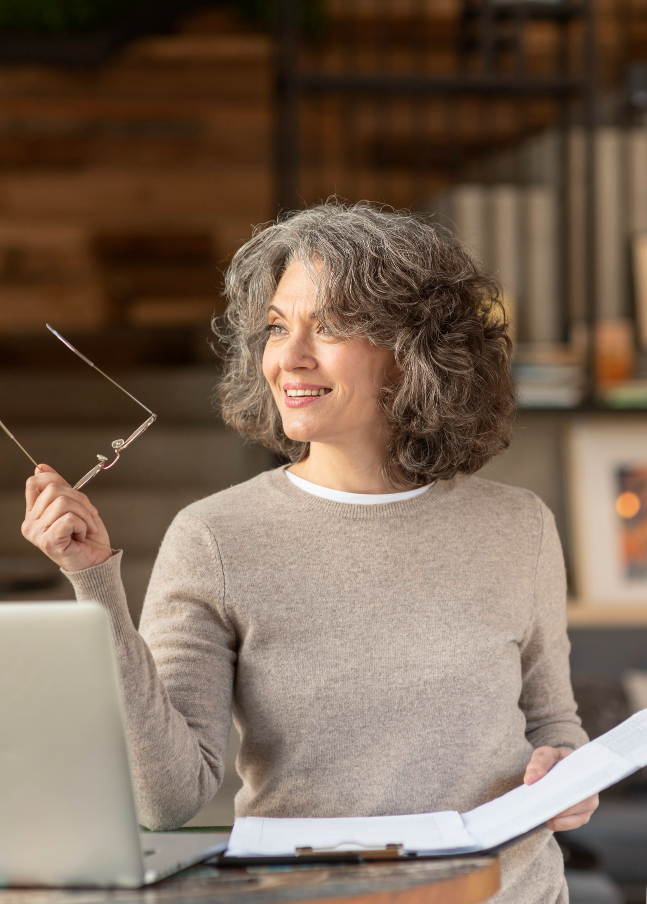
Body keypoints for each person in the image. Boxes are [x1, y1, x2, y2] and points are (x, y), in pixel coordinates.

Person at [22, 202, 596, 904]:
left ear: (412, 350)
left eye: (329, 327)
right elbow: (163, 800)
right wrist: (94, 582)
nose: (289, 357)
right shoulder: (215, 538)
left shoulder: (519, 526)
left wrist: (565, 776)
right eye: (275, 327)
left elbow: (551, 722)